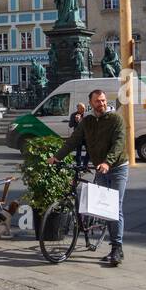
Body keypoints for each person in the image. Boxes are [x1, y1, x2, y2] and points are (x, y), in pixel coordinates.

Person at [52, 87, 127, 267]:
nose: (101, 103)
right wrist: (56, 157)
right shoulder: (87, 121)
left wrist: (108, 162)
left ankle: (117, 247)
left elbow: (118, 143)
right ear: (91, 103)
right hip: (100, 168)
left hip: (117, 168)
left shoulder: (116, 118)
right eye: (97, 101)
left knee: (114, 208)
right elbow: (73, 140)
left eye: (103, 100)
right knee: (103, 209)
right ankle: (104, 237)